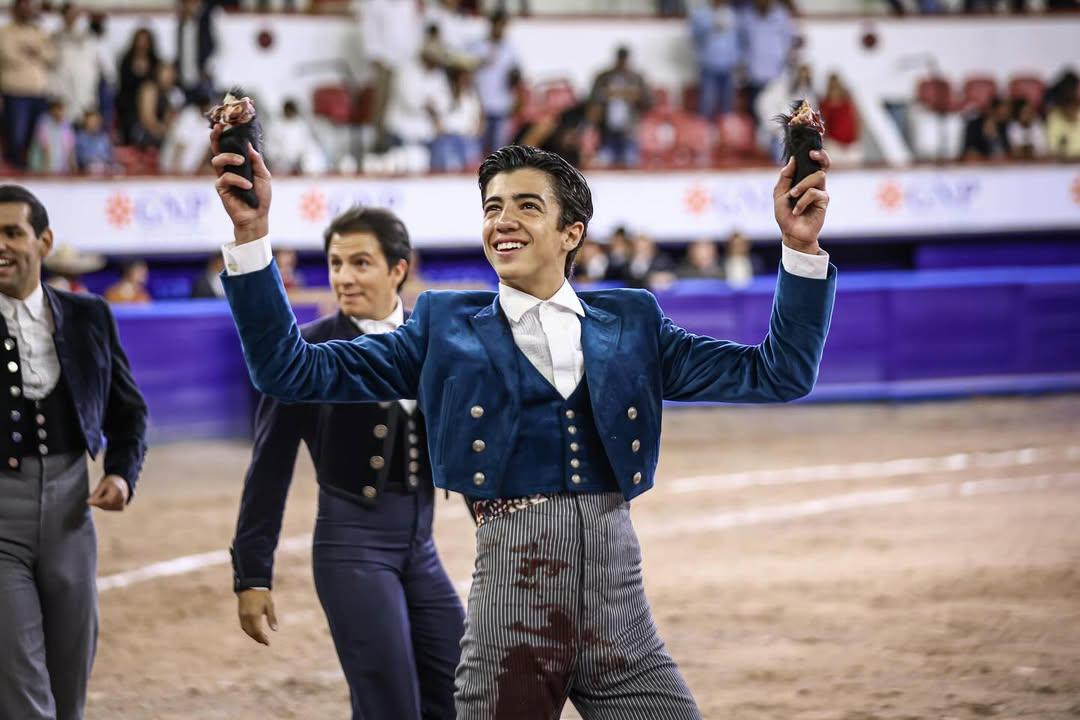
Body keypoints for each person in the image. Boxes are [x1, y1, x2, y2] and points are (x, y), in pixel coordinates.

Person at [211, 132, 835, 717]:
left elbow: (778, 373)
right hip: (511, 622)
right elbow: (289, 372)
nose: (501, 220)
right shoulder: (441, 326)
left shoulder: (634, 320)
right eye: (492, 207)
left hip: (622, 620)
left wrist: (800, 250)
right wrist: (251, 236)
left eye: (526, 206)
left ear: (572, 232)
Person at [231, 207, 465, 720]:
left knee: (462, 695)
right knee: (389, 706)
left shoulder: (436, 344)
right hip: (349, 549)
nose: (344, 277)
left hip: (422, 550)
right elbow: (268, 468)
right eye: (336, 263)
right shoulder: (307, 350)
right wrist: (253, 575)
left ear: (399, 269)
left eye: (360, 262)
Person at [0, 184, 148, 720]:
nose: (1, 245)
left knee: (70, 684)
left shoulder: (88, 317)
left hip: (71, 515)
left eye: (12, 233)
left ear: (43, 241)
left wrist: (123, 474)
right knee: (19, 684)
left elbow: (129, 414)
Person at [0, 0, 56, 168]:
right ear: (15, 11)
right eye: (22, 9)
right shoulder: (5, 32)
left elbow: (51, 55)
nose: (26, 12)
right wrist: (34, 53)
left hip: (38, 91)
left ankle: (34, 167)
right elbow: (8, 55)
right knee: (17, 136)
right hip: (16, 91)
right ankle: (16, 169)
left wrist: (32, 51)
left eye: (28, 9)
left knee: (39, 136)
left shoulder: (38, 31)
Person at [589, 46, 652, 168]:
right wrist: (608, 95)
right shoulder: (603, 77)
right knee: (604, 161)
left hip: (629, 130)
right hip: (607, 130)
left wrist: (634, 96)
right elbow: (593, 99)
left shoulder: (636, 78)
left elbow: (648, 101)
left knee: (630, 162)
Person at [469, 10, 520, 154]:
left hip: (502, 107)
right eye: (498, 24)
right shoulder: (477, 47)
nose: (501, 29)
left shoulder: (511, 49)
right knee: (477, 152)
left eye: (504, 25)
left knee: (498, 153)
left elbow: (517, 76)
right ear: (491, 25)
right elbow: (467, 74)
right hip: (480, 107)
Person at [690, 0, 739, 119]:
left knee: (727, 106)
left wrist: (736, 59)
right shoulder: (700, 13)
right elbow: (693, 37)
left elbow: (735, 39)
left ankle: (726, 134)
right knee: (707, 103)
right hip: (709, 66)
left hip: (728, 66)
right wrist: (711, 26)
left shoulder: (730, 12)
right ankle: (704, 134)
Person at [28, 97, 77, 175]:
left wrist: (72, 165)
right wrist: (46, 168)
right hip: (43, 167)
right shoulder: (43, 122)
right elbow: (44, 146)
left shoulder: (66, 124)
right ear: (52, 110)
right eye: (58, 109)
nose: (61, 113)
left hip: (61, 167)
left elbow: (70, 146)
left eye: (62, 110)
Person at [74, 107, 115, 175]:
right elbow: (79, 158)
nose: (94, 124)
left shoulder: (104, 138)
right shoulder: (80, 138)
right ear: (86, 122)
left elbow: (110, 156)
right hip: (85, 173)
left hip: (104, 172)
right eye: (92, 121)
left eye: (96, 121)